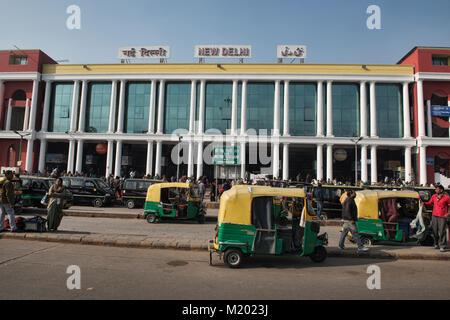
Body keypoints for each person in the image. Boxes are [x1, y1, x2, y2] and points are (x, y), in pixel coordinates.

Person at [421, 185, 450, 252]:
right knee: (434, 231)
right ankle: (436, 243)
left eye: (437, 189)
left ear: (441, 190)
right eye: (435, 189)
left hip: (442, 216)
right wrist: (424, 203)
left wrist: (448, 213)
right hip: (434, 215)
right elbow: (430, 203)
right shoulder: (434, 196)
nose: (435, 190)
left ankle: (442, 245)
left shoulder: (447, 198)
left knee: (442, 231)